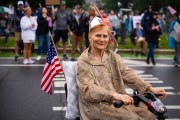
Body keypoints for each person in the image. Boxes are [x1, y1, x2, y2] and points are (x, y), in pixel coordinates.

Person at [76, 16, 167, 120]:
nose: (102, 40)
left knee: (148, 115)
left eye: (105, 36)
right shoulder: (83, 61)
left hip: (119, 103)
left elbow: (127, 73)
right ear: (89, 37)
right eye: (98, 36)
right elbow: (88, 90)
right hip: (97, 107)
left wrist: (150, 89)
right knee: (133, 119)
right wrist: (115, 95)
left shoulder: (113, 56)